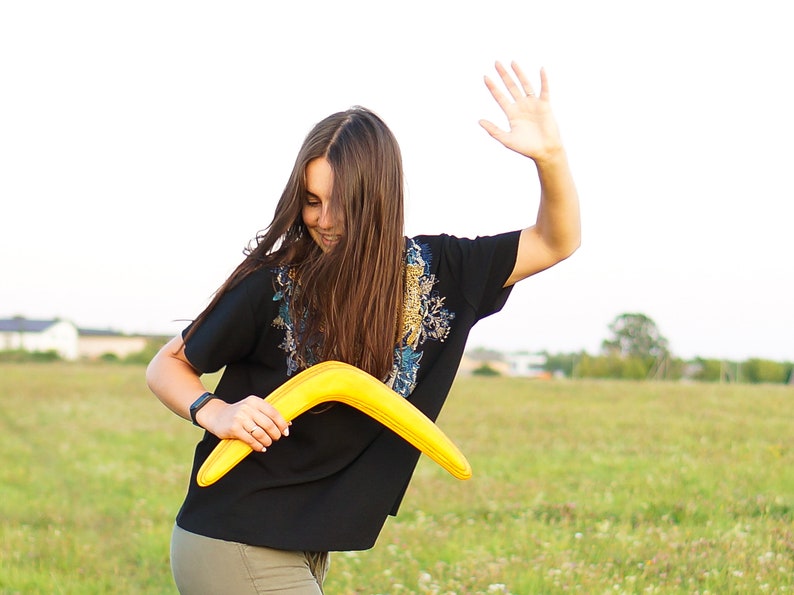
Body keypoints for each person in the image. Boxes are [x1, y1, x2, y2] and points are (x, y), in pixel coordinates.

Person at [146, 60, 581, 594]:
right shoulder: (275, 283)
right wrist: (215, 411)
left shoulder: (441, 272)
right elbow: (167, 365)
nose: (323, 220)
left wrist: (551, 158)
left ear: (379, 200)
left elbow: (555, 241)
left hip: (301, 544)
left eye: (341, 204)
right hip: (233, 536)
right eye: (311, 201)